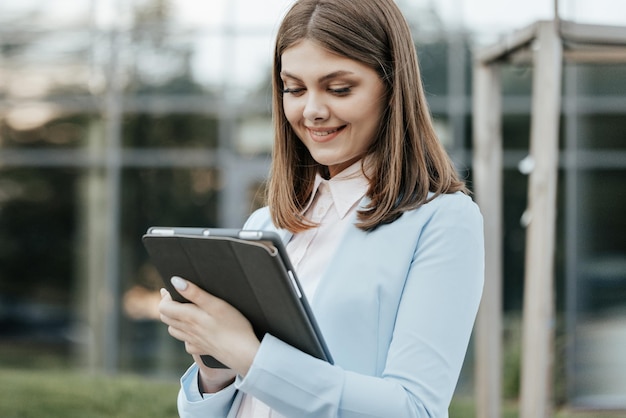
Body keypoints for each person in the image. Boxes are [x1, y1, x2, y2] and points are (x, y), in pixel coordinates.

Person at [158, 0, 484, 416]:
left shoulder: (442, 221)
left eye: (339, 88)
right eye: (294, 88)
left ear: (392, 87)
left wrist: (249, 356)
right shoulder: (266, 224)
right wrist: (214, 364)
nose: (311, 110)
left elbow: (414, 408)